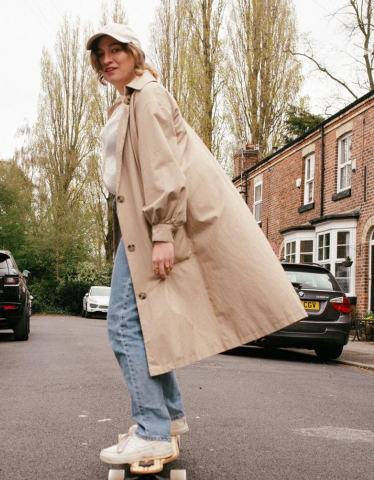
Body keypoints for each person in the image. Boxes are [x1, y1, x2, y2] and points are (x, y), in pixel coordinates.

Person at [86, 23, 306, 465]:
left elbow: (164, 171)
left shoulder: (146, 97)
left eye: (117, 50)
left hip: (149, 227)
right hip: (135, 224)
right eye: (101, 53)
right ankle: (164, 419)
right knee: (143, 326)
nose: (108, 58)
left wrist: (163, 233)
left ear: (135, 53)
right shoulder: (129, 99)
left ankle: (151, 429)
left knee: (124, 326)